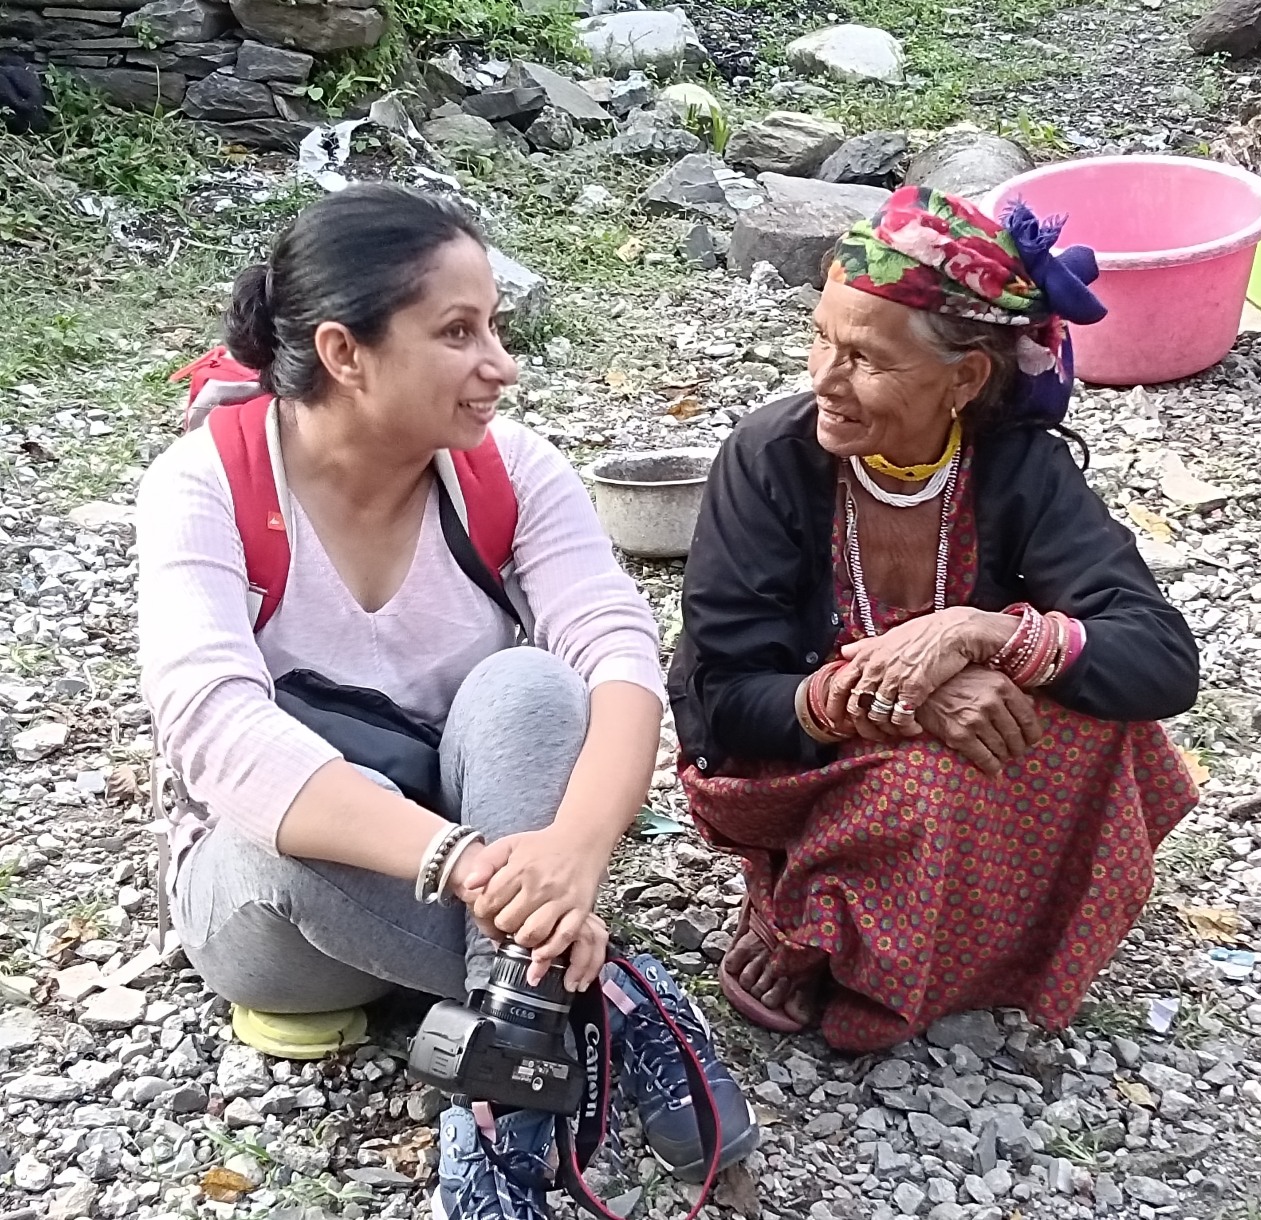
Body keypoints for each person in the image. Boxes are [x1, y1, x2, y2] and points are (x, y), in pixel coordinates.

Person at [137, 183, 755, 1220]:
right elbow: (218, 733)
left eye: (495, 326)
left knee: (528, 682)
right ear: (344, 352)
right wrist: (471, 865)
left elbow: (618, 654)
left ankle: (500, 1096)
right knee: (284, 819)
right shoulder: (209, 486)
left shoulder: (505, 470)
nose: (499, 364)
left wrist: (574, 854)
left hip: (482, 873)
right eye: (458, 331)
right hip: (282, 909)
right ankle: (609, 995)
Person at [669, 186, 1200, 1054]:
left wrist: (980, 635)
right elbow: (721, 699)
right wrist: (902, 699)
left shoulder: (1020, 469)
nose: (825, 381)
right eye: (821, 339)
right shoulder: (772, 458)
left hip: (951, 754)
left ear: (965, 378)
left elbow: (1163, 661)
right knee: (928, 778)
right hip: (797, 757)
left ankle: (981, 944)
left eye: (866, 360)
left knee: (1106, 727)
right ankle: (801, 910)